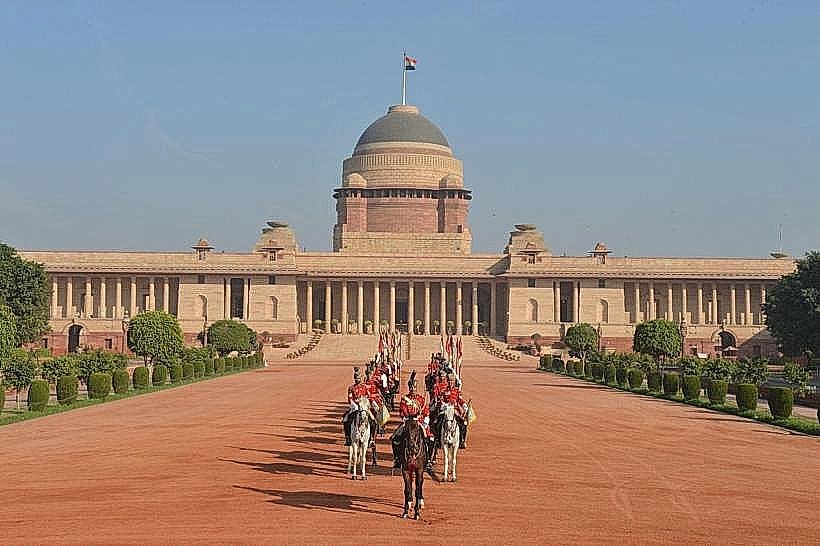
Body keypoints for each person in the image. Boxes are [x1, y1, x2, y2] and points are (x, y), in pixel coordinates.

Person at [391, 370, 433, 469]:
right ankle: (397, 459)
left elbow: (426, 410)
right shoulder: (404, 399)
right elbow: (402, 411)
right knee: (395, 438)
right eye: (411, 387)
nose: (413, 389)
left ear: (416, 388)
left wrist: (425, 419)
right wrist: (406, 417)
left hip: (419, 422)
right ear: (409, 388)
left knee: (430, 439)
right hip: (408, 421)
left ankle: (428, 460)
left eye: (414, 387)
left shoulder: (421, 399)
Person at [440, 373, 469, 449]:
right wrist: (445, 406)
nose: (450, 382)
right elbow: (442, 400)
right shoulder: (444, 391)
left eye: (452, 381)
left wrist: (464, 406)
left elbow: (460, 400)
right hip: (446, 410)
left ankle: (462, 440)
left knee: (464, 423)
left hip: (455, 410)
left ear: (454, 381)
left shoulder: (457, 391)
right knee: (437, 422)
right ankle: (438, 439)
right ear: (447, 381)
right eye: (449, 381)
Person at [343, 367, 370, 446]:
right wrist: (355, 404)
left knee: (373, 420)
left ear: (361, 378)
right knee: (345, 420)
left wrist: (364, 402)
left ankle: (371, 438)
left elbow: (368, 396)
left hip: (364, 406)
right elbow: (350, 399)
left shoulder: (364, 387)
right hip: (355, 406)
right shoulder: (351, 388)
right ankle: (348, 438)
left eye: (358, 378)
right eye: (356, 378)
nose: (357, 380)